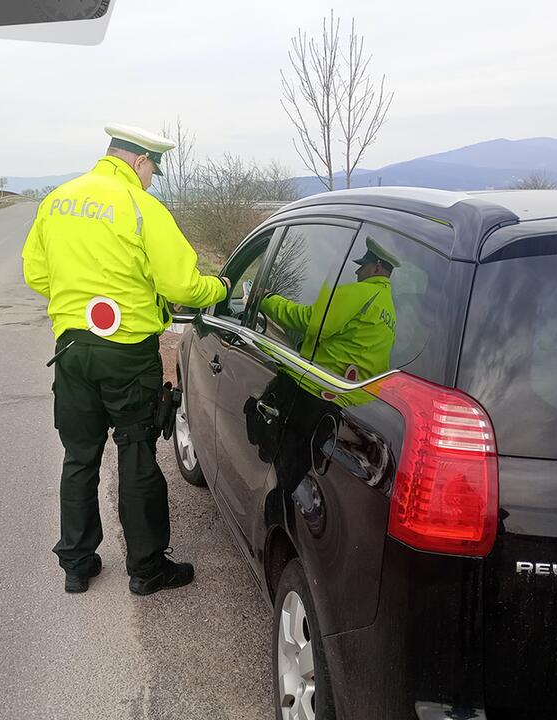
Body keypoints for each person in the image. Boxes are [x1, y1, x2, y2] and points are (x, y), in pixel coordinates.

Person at [21, 123, 231, 595]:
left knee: (79, 455)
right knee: (136, 451)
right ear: (139, 161)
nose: (151, 179)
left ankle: (77, 564)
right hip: (128, 353)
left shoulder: (57, 200)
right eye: (152, 169)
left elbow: (35, 273)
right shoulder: (141, 206)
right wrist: (220, 288)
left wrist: (77, 299)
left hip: (71, 350)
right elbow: (181, 285)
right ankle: (147, 568)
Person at [259, 237, 399, 382]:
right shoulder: (390, 311)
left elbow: (309, 320)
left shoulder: (361, 292)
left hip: (320, 382)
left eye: (363, 266)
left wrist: (267, 298)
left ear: (377, 268)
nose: (357, 271)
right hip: (354, 391)